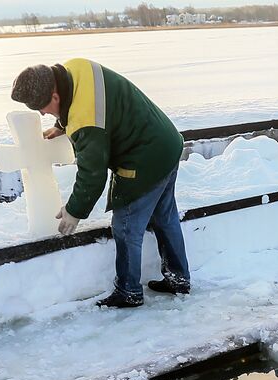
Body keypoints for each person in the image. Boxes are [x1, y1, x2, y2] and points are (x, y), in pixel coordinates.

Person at [10, 60, 189, 309]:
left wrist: (74, 211)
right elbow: (91, 102)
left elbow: (92, 175)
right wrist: (62, 125)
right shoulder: (76, 69)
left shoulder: (86, 121)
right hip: (166, 143)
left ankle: (128, 291)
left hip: (145, 159)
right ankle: (178, 278)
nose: (42, 114)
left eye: (43, 107)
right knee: (164, 216)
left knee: (126, 227)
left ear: (54, 95)